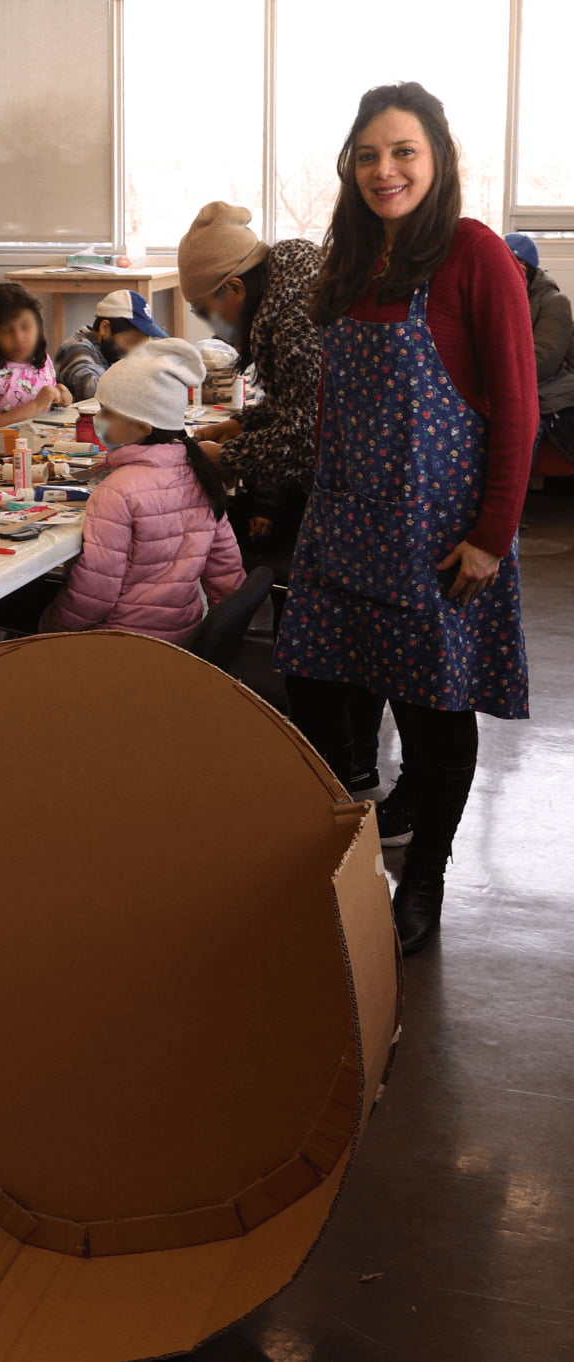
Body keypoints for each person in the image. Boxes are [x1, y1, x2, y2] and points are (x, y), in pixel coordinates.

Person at [274, 82, 537, 956]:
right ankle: (350, 843)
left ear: (439, 159)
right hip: (344, 521)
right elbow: (333, 402)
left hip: (438, 537)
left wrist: (494, 536)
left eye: (404, 152)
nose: (385, 170)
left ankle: (422, 876)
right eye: (369, 154)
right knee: (315, 687)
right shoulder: (350, 257)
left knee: (432, 710)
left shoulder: (474, 255)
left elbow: (518, 406)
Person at [42, 338, 244, 643]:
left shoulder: (117, 492)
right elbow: (227, 574)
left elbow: (96, 594)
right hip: (182, 638)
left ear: (143, 427)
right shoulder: (199, 473)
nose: (99, 420)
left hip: (122, 646)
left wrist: (49, 629)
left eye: (107, 412)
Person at [178, 202, 322, 557]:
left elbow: (308, 434)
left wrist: (228, 455)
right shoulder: (287, 296)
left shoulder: (294, 322)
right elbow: (297, 402)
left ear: (235, 287)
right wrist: (241, 424)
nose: (210, 325)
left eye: (203, 311)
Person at [0, 283, 71, 429]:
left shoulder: (41, 360)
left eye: (25, 327)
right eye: (6, 330)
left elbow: (47, 406)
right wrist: (35, 406)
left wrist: (62, 398)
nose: (18, 338)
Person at [505, 232, 574, 463]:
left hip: (547, 392)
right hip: (505, 387)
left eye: (520, 267)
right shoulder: (493, 299)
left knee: (516, 438)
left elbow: (542, 363)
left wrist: (490, 377)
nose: (512, 273)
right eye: (506, 266)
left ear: (532, 272)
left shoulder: (555, 303)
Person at [52, 289, 167, 401]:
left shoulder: (109, 350)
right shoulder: (77, 348)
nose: (135, 351)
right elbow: (90, 390)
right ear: (105, 328)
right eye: (131, 341)